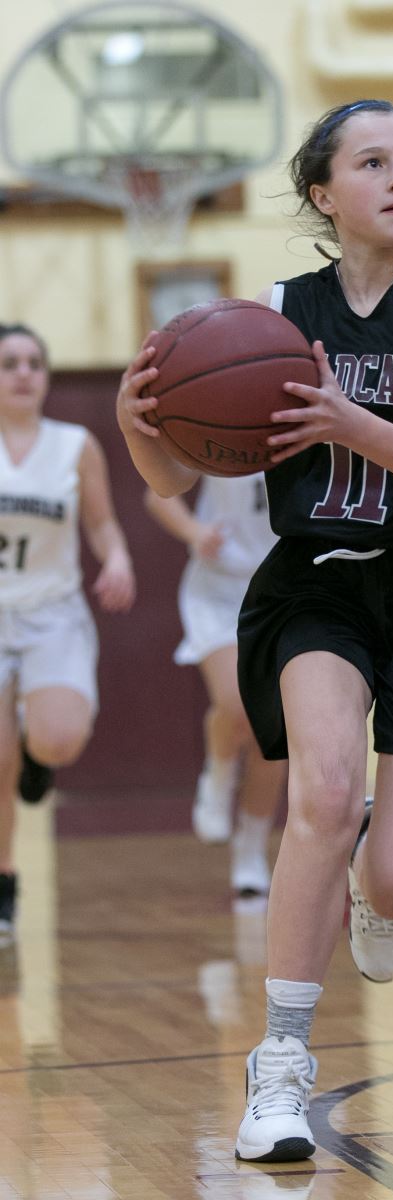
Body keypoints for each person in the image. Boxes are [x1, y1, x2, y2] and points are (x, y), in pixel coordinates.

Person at [116, 98, 393, 1163]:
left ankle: (378, 883)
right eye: (373, 162)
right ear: (321, 192)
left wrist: (350, 421)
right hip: (320, 588)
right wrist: (136, 429)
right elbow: (178, 471)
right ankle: (280, 1067)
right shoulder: (276, 315)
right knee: (323, 794)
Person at [0, 323, 135, 939]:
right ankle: (5, 880)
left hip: (52, 612)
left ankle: (36, 750)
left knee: (58, 741)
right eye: (10, 363)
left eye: (33, 362)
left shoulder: (75, 443)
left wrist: (118, 558)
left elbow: (102, 524)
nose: (23, 373)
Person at [144, 476, 287, 896]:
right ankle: (219, 771)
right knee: (237, 704)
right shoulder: (218, 414)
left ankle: (251, 849)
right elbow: (157, 494)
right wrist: (195, 531)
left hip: (286, 587)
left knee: (273, 733)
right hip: (220, 586)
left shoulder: (311, 419)